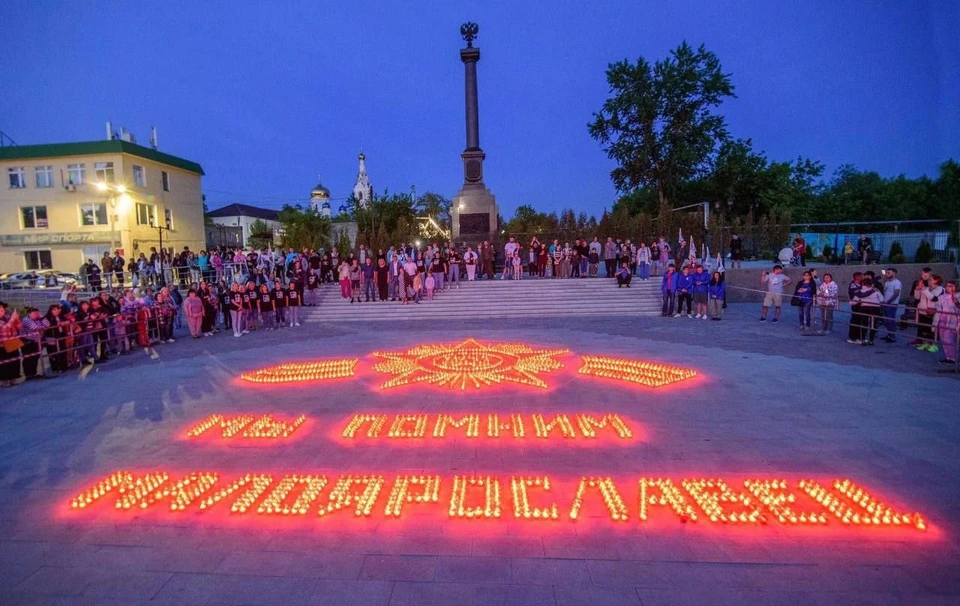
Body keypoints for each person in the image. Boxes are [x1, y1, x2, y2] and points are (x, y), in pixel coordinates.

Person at [916, 276, 945, 352]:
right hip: (922, 311)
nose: (928, 281)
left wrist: (925, 290)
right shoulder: (926, 288)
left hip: (933, 312)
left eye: (930, 279)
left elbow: (933, 298)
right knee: (923, 328)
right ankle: (925, 343)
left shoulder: (940, 289)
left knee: (932, 329)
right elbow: (917, 297)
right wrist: (918, 289)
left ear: (936, 281)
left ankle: (934, 345)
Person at [853, 276, 883, 345]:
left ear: (863, 284)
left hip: (864, 308)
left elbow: (854, 301)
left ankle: (863, 340)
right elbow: (882, 299)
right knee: (873, 324)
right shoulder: (876, 290)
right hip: (875, 308)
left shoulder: (860, 291)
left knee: (864, 324)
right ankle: (871, 340)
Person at [934, 281, 958, 364]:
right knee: (943, 339)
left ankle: (954, 357)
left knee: (949, 339)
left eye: (951, 286)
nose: (949, 288)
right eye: (947, 286)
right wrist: (935, 322)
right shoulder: (942, 297)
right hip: (942, 318)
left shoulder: (958, 296)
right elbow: (938, 309)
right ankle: (948, 357)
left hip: (952, 319)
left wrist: (956, 302)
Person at [880, 268, 902, 343]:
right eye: (886, 273)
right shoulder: (887, 282)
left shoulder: (897, 283)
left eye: (889, 273)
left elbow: (896, 293)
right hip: (885, 303)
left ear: (894, 273)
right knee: (886, 320)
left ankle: (892, 336)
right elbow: (884, 292)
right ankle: (889, 335)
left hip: (892, 304)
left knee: (891, 320)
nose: (887, 274)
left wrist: (889, 301)